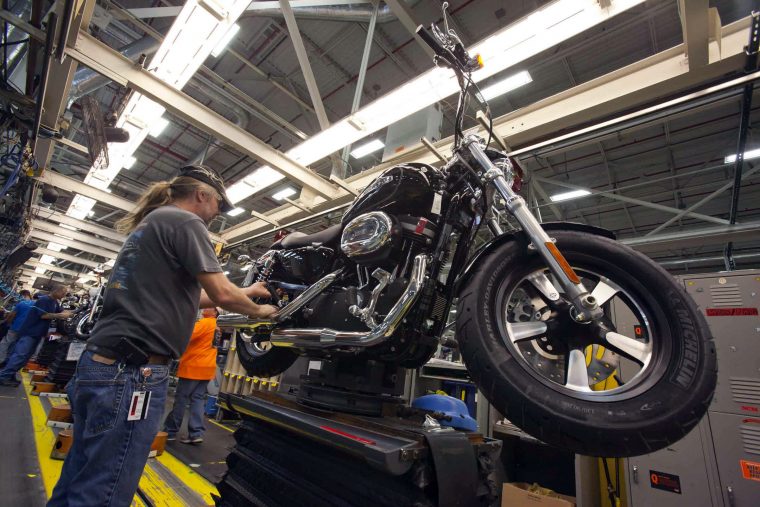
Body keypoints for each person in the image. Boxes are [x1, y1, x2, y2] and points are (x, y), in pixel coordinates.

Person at [48, 165, 278, 507]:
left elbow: (190, 295)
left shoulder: (153, 224)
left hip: (104, 366)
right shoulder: (186, 223)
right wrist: (265, 313)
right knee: (106, 487)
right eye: (218, 204)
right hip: (131, 375)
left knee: (82, 473)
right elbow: (223, 295)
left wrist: (244, 289)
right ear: (202, 195)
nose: (217, 213)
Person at [163, 307, 220, 444]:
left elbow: (186, 335)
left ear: (215, 312)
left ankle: (170, 431)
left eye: (210, 307)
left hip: (193, 367)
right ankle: (195, 434)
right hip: (207, 368)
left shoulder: (205, 323)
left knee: (181, 399)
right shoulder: (216, 326)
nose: (205, 308)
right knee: (197, 399)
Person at [0, 286, 73, 386]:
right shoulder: (44, 300)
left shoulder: (55, 302)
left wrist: (73, 312)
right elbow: (43, 315)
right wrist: (60, 315)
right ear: (56, 291)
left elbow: (61, 311)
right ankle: (4, 376)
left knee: (25, 358)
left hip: (37, 334)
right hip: (30, 332)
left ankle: (10, 375)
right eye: (63, 293)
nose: (64, 295)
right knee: (20, 355)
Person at [0, 289, 33, 366]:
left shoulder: (22, 303)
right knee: (15, 345)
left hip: (15, 327)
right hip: (26, 330)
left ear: (23, 295)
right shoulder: (35, 305)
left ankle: (1, 359)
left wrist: (7, 322)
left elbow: (12, 315)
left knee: (5, 343)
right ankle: (8, 361)